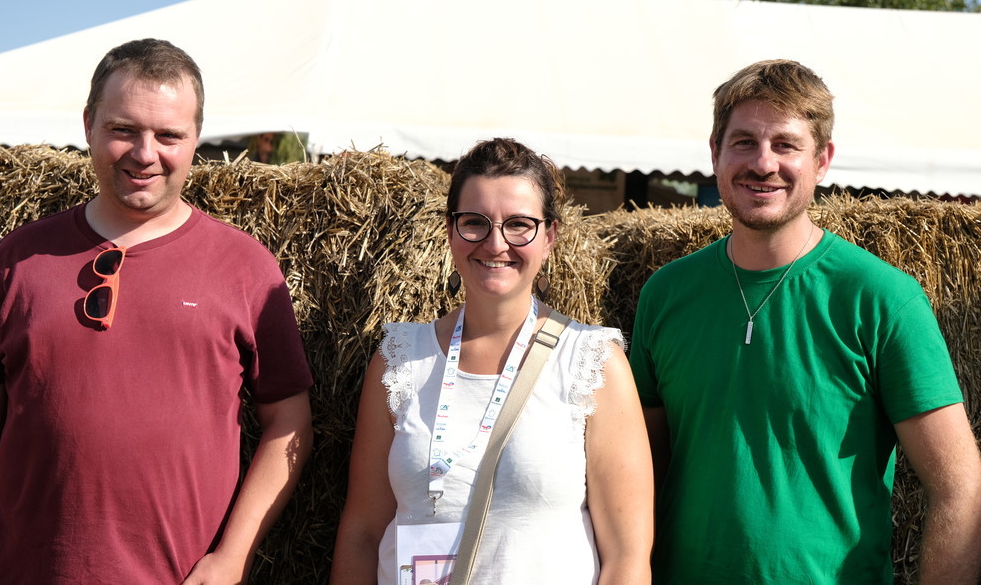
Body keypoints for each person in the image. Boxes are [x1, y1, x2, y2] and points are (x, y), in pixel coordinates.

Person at [630, 59, 981, 583]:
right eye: (744, 142)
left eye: (786, 145)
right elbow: (636, 473)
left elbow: (960, 486)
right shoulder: (666, 293)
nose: (763, 163)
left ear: (822, 160)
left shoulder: (881, 298)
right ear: (715, 155)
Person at [0, 38, 315, 583]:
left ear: (195, 141)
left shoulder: (245, 268)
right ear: (89, 123)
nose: (146, 153)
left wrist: (231, 558)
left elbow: (290, 422)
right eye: (124, 129)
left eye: (169, 135)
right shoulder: (16, 259)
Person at [330, 138, 654, 584]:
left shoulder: (593, 364)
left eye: (519, 224)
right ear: (450, 230)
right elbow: (362, 535)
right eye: (475, 223)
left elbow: (627, 559)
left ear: (550, 236)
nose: (495, 243)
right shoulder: (400, 361)